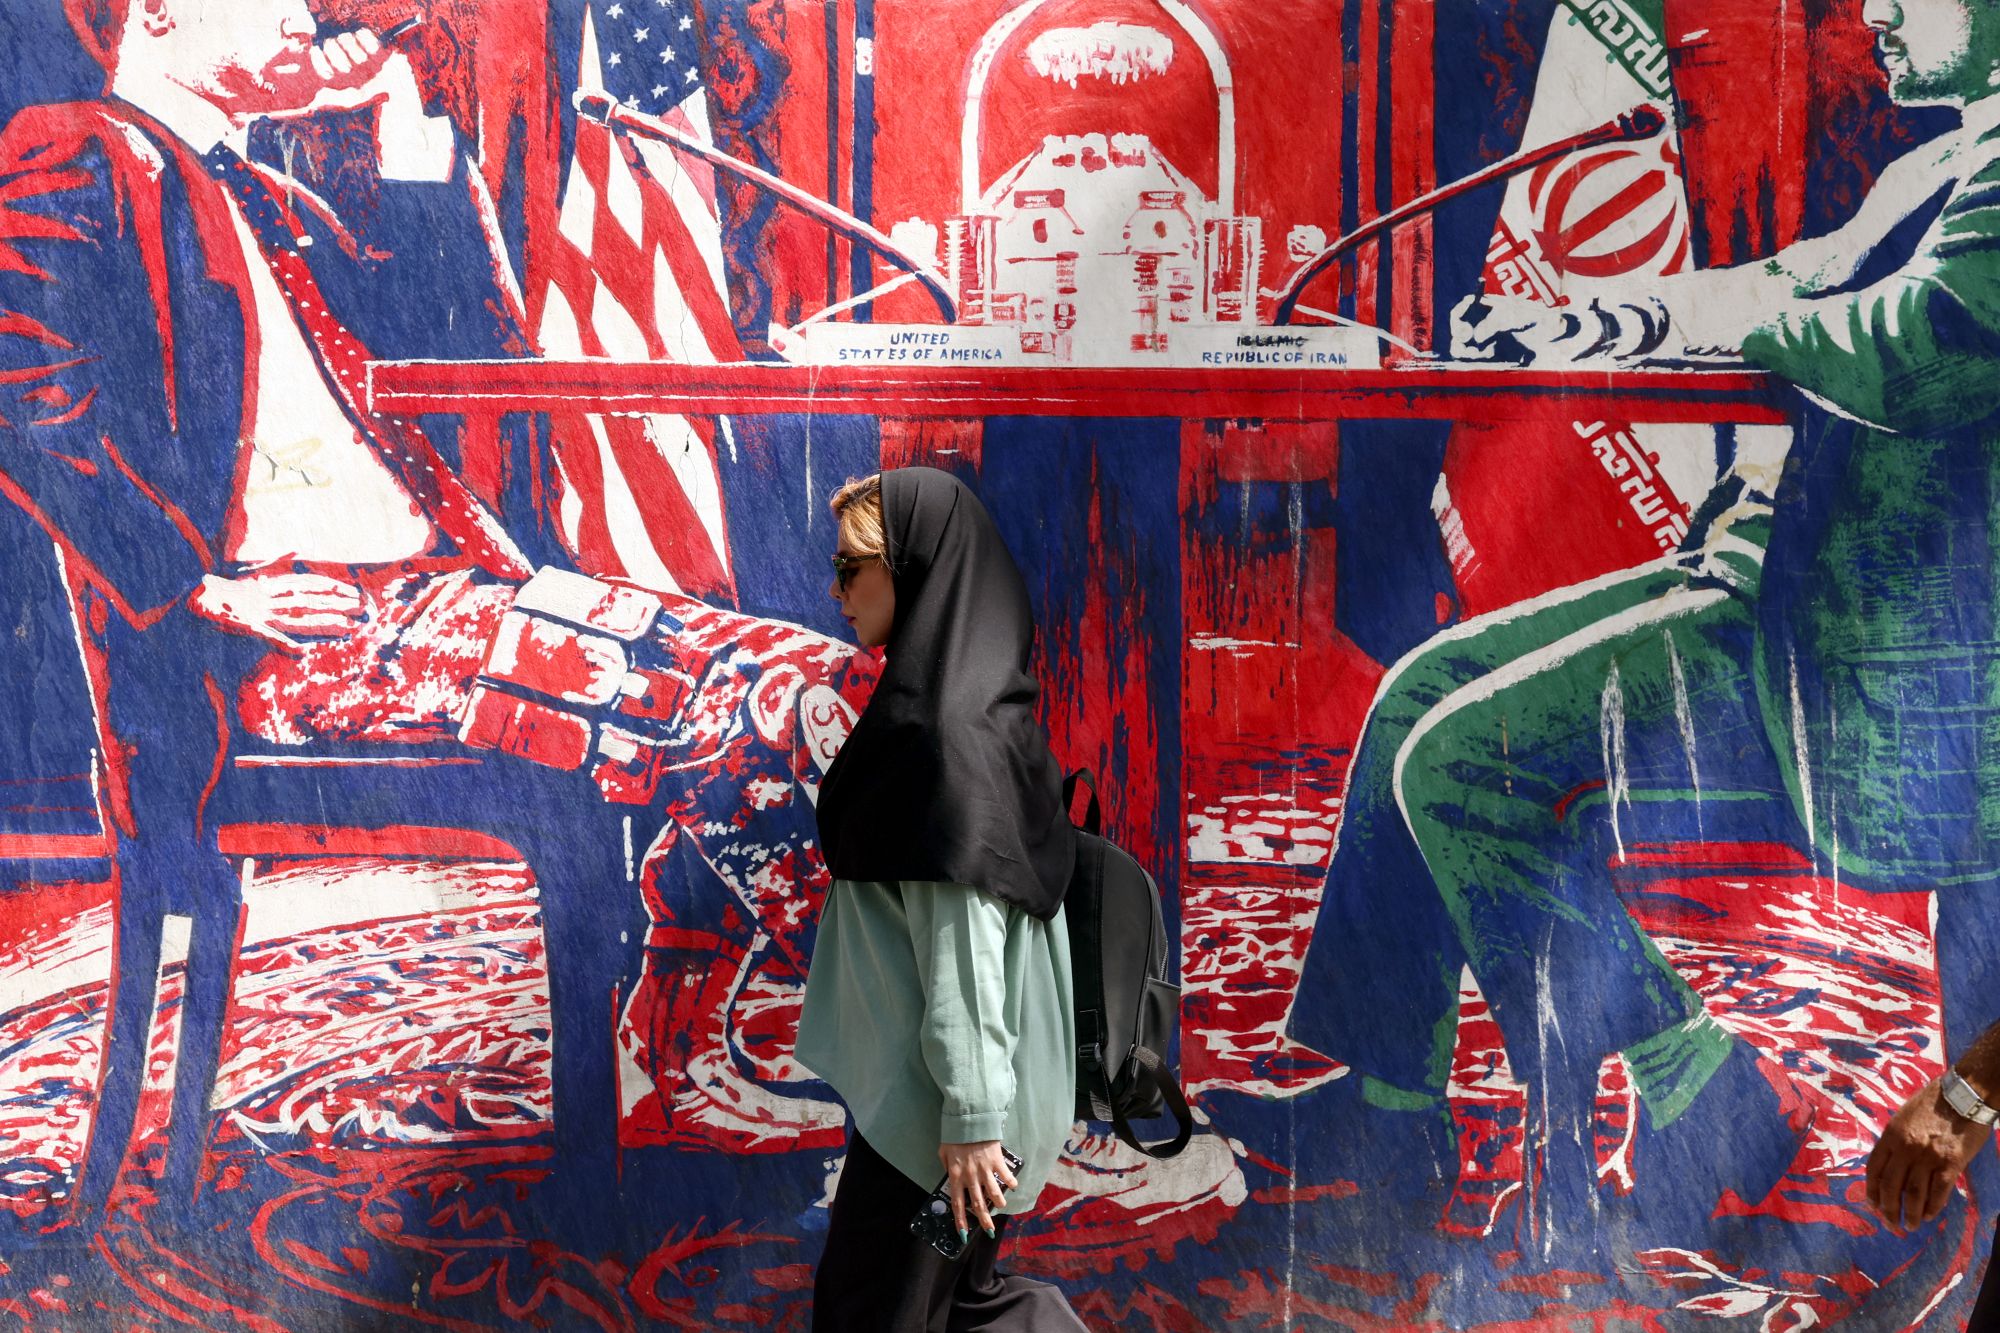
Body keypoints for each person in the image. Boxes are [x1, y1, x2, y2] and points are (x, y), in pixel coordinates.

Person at [0, 0, 869, 1257]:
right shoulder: (78, 150)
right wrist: (198, 589)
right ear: (160, 13)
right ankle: (902, 1088)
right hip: (276, 646)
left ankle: (724, 1048)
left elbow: (458, 328)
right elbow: (27, 403)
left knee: (818, 681)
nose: (307, 15)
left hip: (437, 600)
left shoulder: (267, 192)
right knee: (746, 699)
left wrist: (400, 123)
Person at [1288, 0, 2000, 1253]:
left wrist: (1748, 324)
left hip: (1865, 670)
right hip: (1768, 582)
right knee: (1411, 701)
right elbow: (1786, 282)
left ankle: (1694, 1086)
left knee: (1455, 764)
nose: (1875, 13)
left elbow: (1921, 346)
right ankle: (1387, 1109)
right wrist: (1597, 322)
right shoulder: (1941, 160)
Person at [797, 468, 1088, 1332]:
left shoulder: (942, 743)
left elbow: (966, 946)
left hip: (940, 1136)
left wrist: (971, 1120)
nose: (837, 591)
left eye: (852, 568)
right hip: (953, 1123)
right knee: (960, 1307)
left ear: (915, 569)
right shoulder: (983, 716)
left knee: (873, 1312)